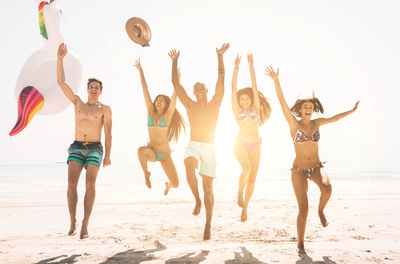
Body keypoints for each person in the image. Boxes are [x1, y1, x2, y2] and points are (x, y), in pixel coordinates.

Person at [265, 65, 359, 253]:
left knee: (327, 189)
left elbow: (334, 118)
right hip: (298, 171)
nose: (307, 109)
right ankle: (300, 243)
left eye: (310, 107)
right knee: (303, 208)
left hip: (316, 167)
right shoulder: (294, 124)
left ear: (313, 109)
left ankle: (321, 211)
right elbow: (283, 103)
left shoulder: (317, 123)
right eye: (304, 107)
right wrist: (276, 81)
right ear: (299, 110)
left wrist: (351, 111)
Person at [169, 43, 230, 240]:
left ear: (206, 90)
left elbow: (221, 80)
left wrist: (220, 57)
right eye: (196, 91)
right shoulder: (190, 105)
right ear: (194, 93)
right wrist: (175, 62)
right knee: (188, 165)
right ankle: (196, 200)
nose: (199, 93)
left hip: (211, 147)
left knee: (209, 188)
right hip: (194, 143)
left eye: (202, 89)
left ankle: (208, 225)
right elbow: (176, 86)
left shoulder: (215, 103)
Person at [57, 43, 112, 239]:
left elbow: (108, 133)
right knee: (71, 183)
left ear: (100, 91)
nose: (94, 89)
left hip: (96, 148)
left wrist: (108, 155)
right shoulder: (78, 102)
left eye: (97, 87)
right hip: (77, 146)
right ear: (87, 89)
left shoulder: (104, 109)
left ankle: (85, 224)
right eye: (91, 87)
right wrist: (60, 59)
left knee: (90, 185)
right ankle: (73, 220)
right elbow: (61, 82)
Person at [135, 57, 185, 195]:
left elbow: (175, 97)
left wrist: (178, 80)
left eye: (162, 100)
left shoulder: (167, 116)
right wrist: (141, 71)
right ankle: (147, 174)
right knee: (140, 151)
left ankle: (168, 185)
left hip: (164, 155)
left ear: (166, 105)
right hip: (152, 153)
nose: (159, 101)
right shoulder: (150, 112)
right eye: (157, 99)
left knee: (176, 184)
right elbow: (145, 90)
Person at [231, 54, 271, 222]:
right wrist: (236, 68)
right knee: (246, 170)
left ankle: (245, 208)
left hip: (255, 145)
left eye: (247, 98)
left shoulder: (256, 108)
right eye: (242, 99)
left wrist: (251, 65)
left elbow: (255, 86)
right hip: (240, 143)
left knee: (253, 180)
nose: (245, 100)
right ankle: (239, 192)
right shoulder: (237, 111)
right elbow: (233, 88)